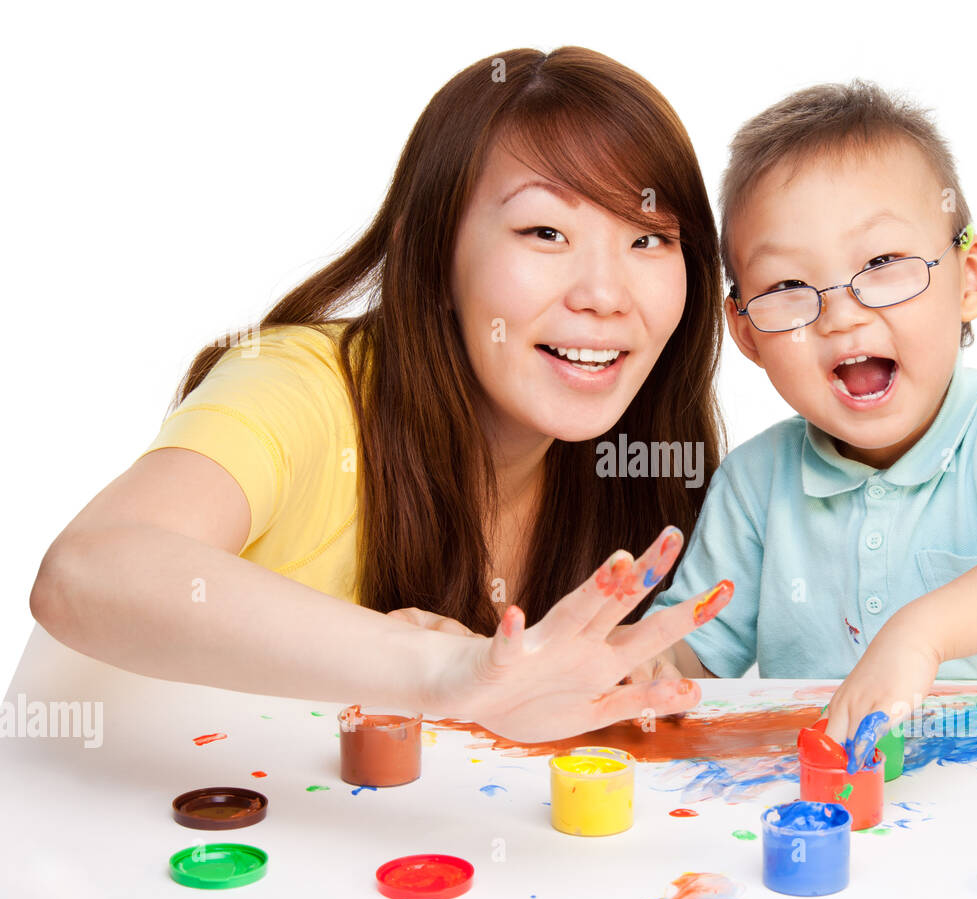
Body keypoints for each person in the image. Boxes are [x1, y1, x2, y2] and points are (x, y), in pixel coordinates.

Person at [27, 47, 733, 743]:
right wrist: (441, 668)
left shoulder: (639, 461)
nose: (605, 296)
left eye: (648, 240)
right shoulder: (298, 386)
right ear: (431, 257)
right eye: (544, 231)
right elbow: (86, 567)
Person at [642, 79, 977, 743]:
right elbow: (695, 662)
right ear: (745, 333)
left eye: (883, 262)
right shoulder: (755, 483)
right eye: (789, 287)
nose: (842, 314)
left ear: (969, 278)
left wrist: (925, 631)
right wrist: (642, 667)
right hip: (855, 818)